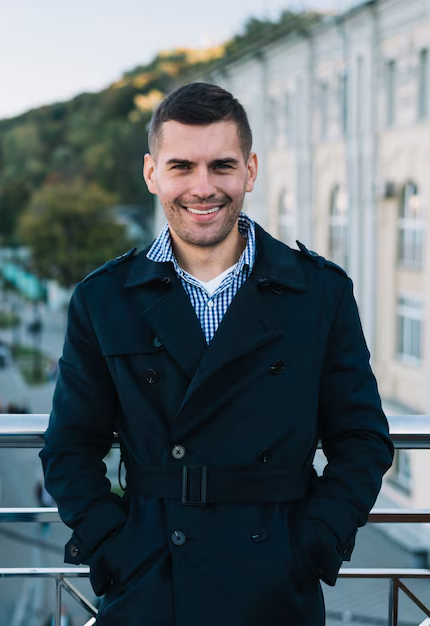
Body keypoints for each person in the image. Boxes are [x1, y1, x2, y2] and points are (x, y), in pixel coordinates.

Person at [39, 82, 394, 626]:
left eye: (221, 166)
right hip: (151, 581)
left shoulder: (319, 292)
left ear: (250, 171)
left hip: (276, 580)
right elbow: (69, 446)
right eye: (181, 166)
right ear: (151, 173)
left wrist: (316, 540)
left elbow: (362, 438)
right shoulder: (104, 297)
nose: (203, 188)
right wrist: (113, 545)